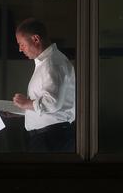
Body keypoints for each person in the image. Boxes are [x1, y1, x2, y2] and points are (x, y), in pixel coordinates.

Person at [12, 18, 76, 152]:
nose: (20, 49)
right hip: (50, 137)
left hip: (52, 139)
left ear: (35, 39)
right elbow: (47, 105)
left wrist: (26, 103)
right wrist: (21, 111)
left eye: (22, 44)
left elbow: (52, 103)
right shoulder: (47, 63)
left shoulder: (52, 63)